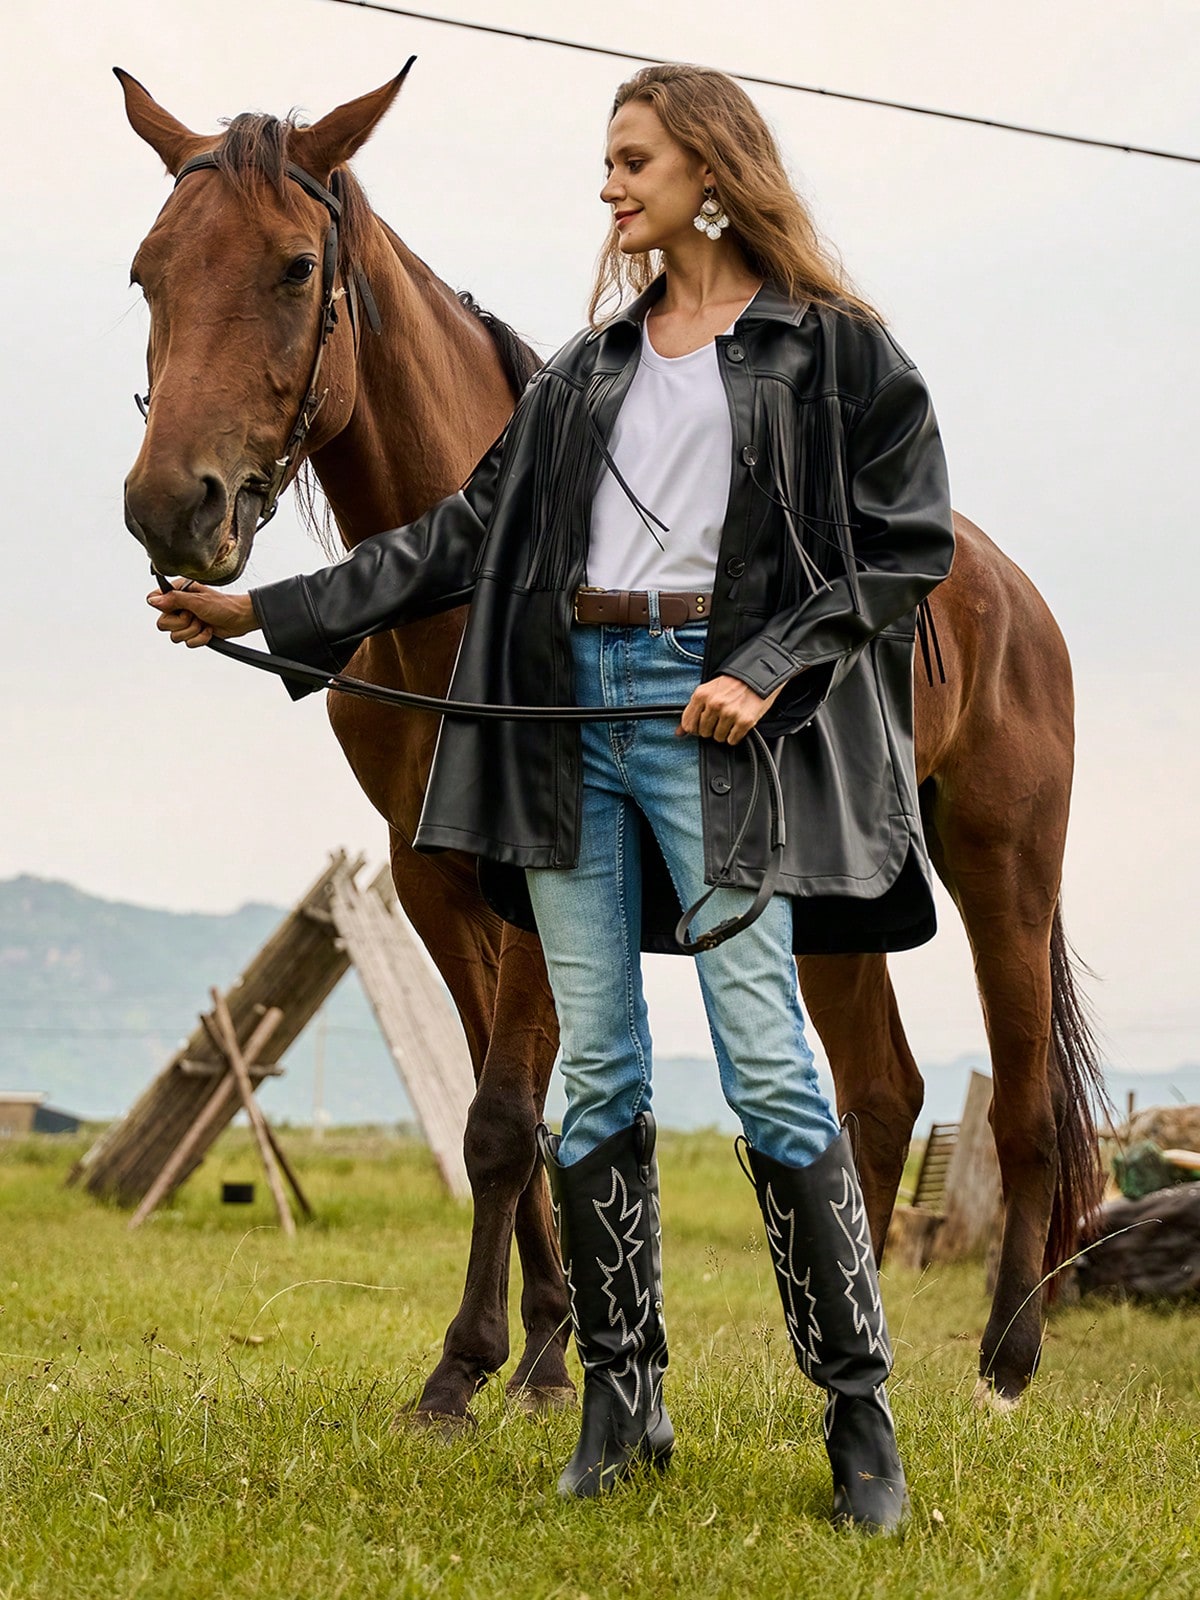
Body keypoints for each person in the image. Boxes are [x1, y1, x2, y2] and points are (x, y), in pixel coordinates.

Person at [150, 63, 954, 1532]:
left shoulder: (835, 355)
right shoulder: (591, 371)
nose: (608, 185)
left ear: (708, 171)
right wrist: (263, 611)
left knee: (770, 1062)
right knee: (599, 1072)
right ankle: (619, 1401)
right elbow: (458, 536)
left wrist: (764, 667)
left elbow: (901, 551)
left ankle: (860, 1422)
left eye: (631, 159)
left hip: (719, 728)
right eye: (606, 159)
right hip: (568, 723)